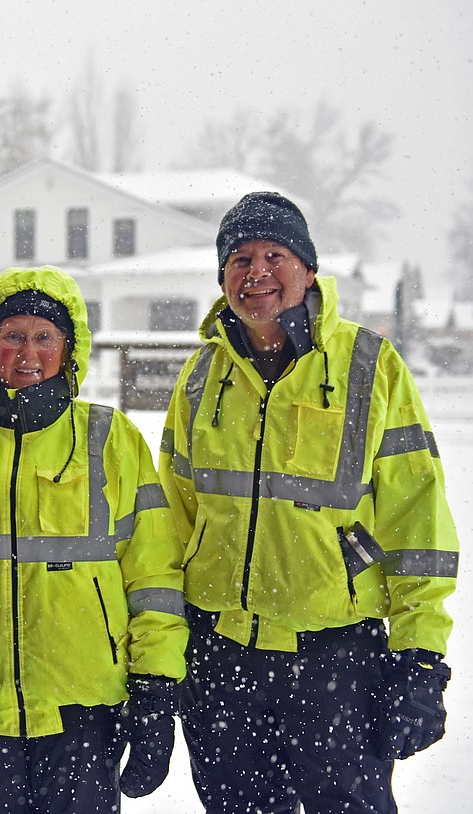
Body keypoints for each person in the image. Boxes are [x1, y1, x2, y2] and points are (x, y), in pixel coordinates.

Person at [159, 191, 460, 814]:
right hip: (220, 660)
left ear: (308, 269)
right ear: (222, 277)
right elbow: (169, 525)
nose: (257, 273)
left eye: (275, 254)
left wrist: (421, 656)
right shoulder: (199, 377)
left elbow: (417, 518)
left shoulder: (371, 366)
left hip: (335, 661)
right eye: (239, 259)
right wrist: (162, 650)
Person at [0, 266, 189, 814]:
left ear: (69, 351)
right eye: (13, 336)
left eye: (45, 337)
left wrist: (156, 688)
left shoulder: (111, 438)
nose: (28, 353)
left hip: (86, 700)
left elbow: (154, 576)